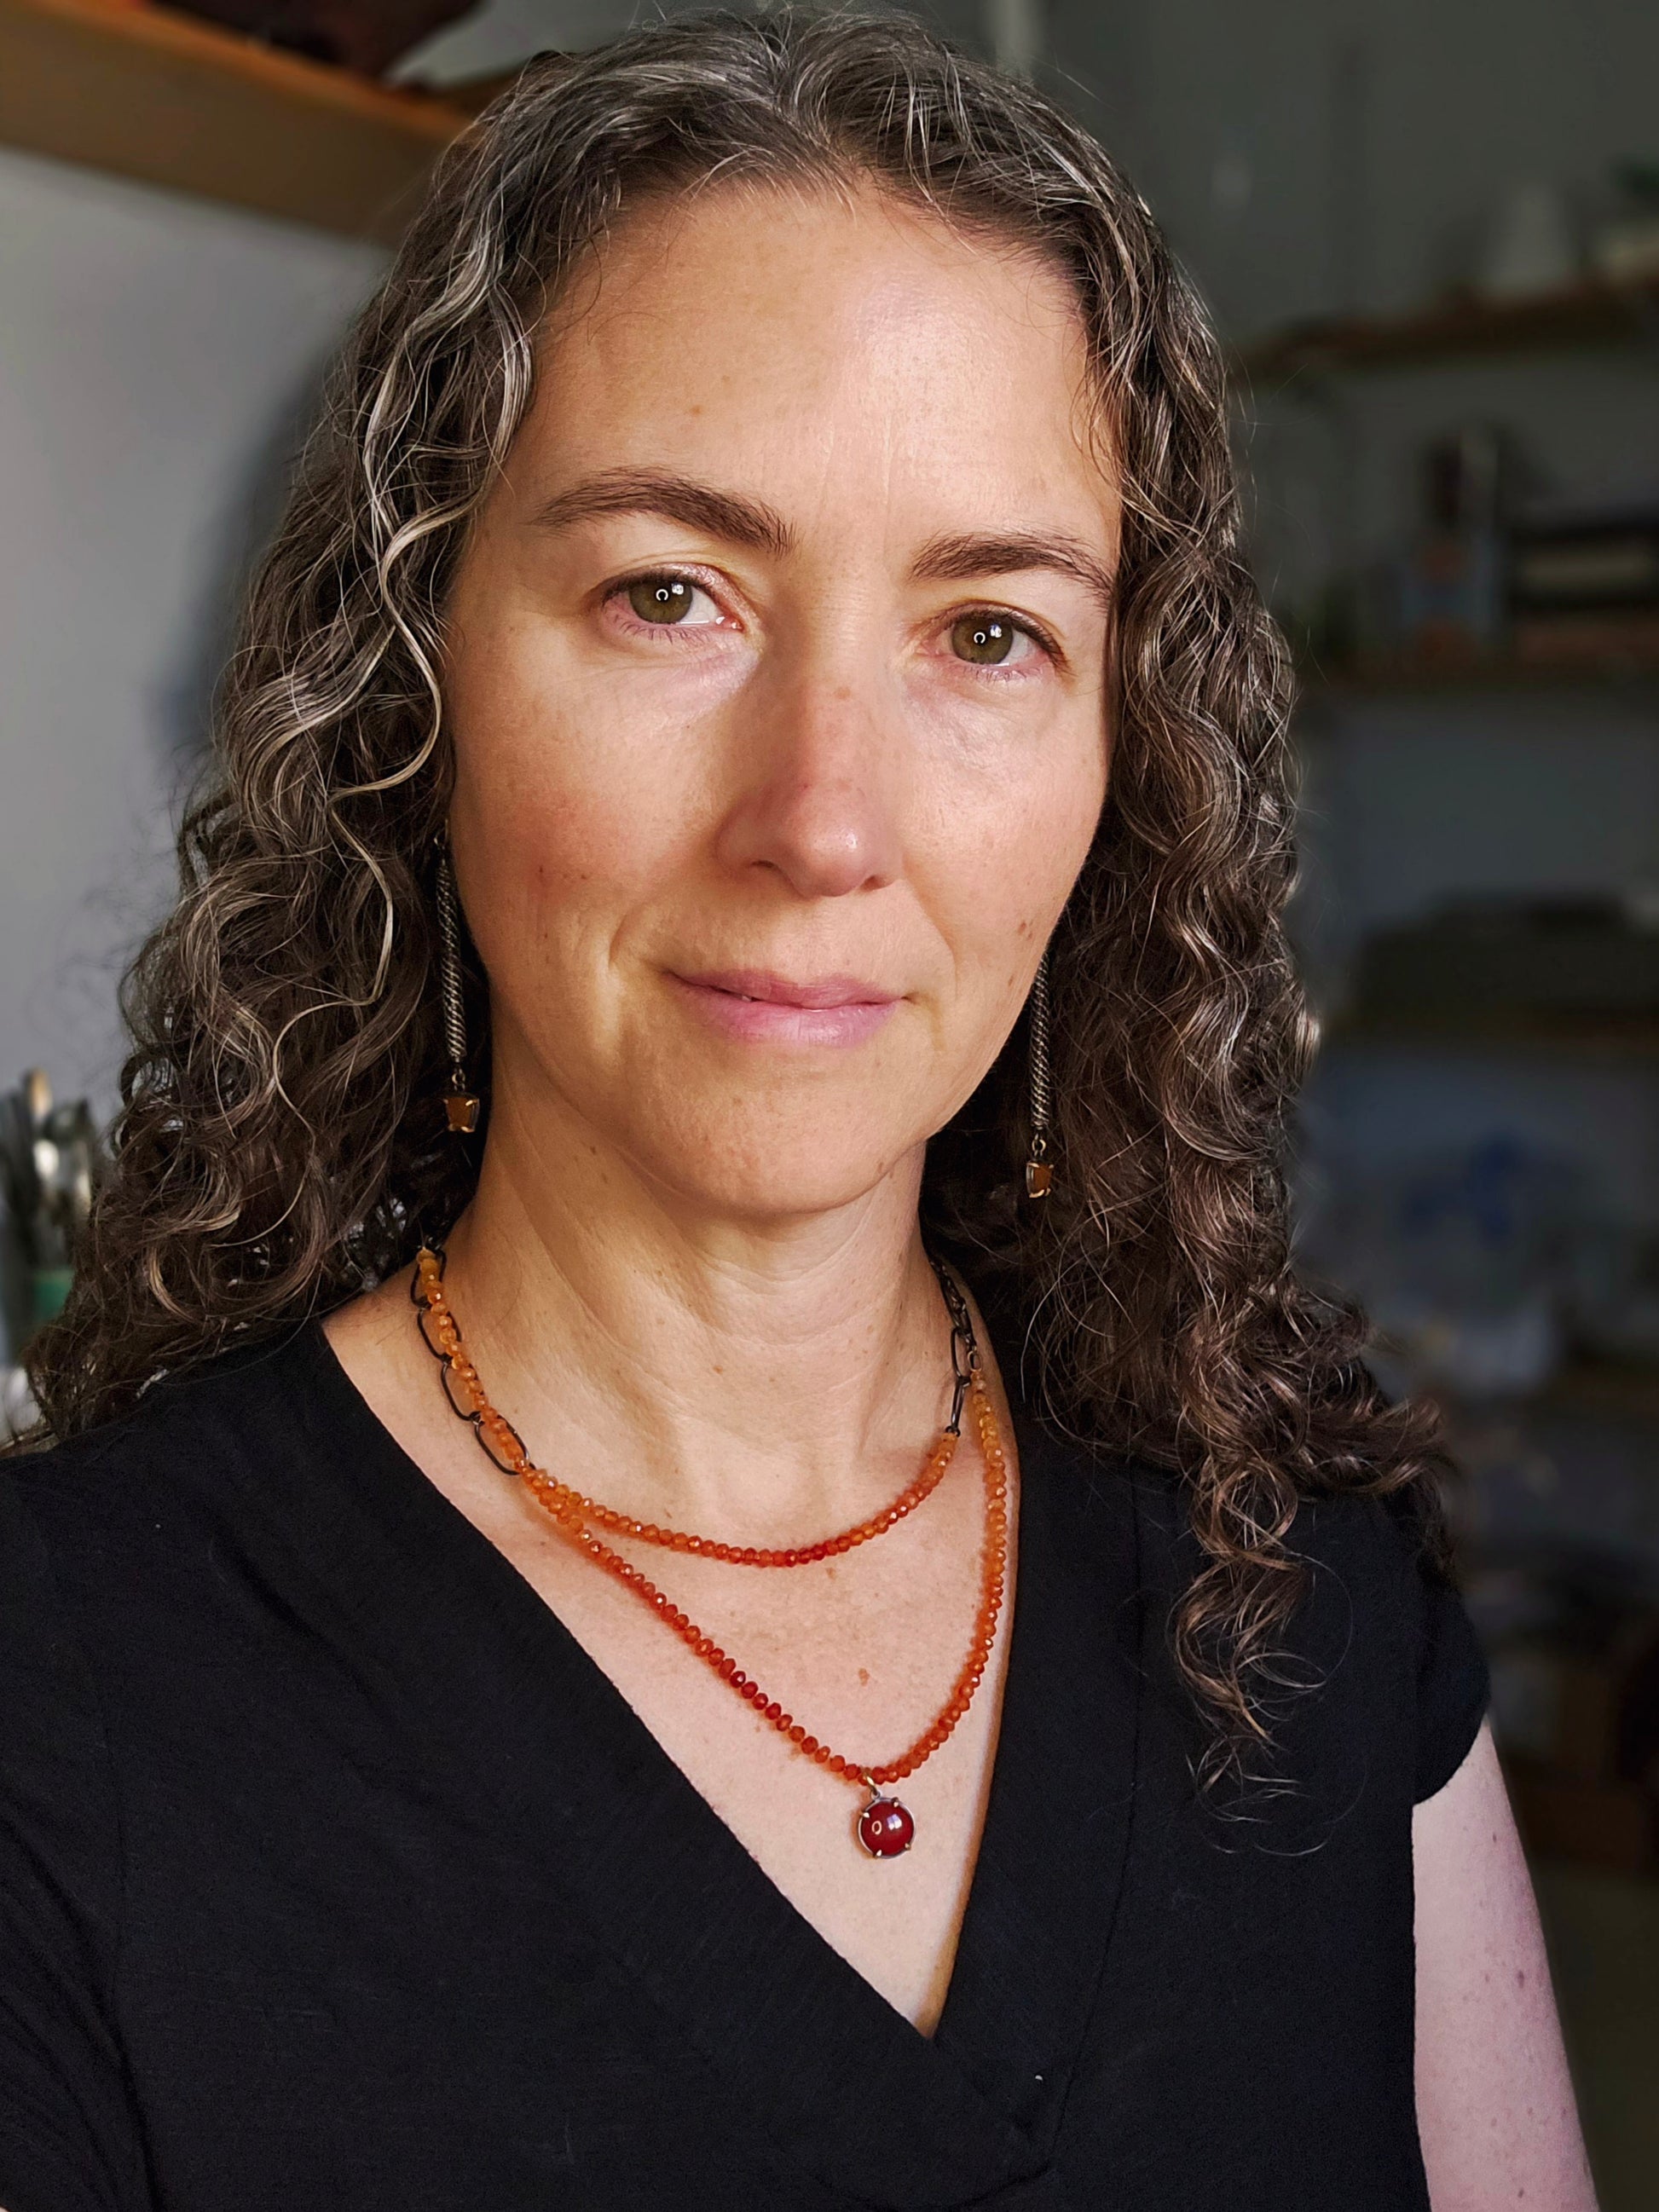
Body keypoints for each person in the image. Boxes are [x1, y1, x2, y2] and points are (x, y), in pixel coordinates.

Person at [1, 11, 1598, 2209]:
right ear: (415, 673)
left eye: (989, 633)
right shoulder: (69, 1706)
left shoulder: (1299, 1573)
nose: (823, 822)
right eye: (672, 593)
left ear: (1120, 758)